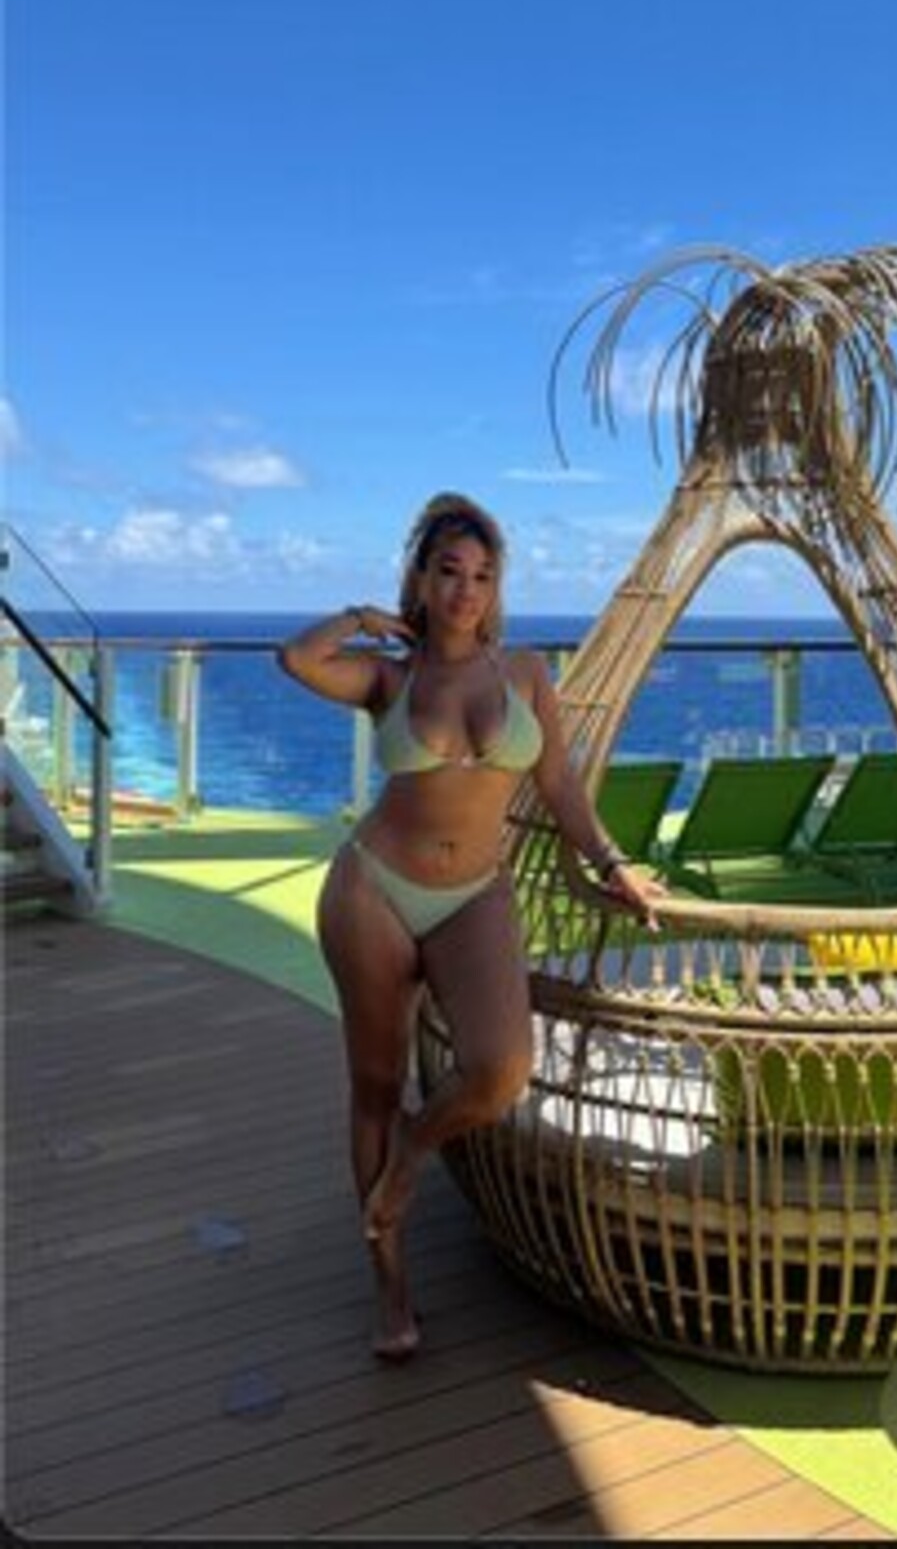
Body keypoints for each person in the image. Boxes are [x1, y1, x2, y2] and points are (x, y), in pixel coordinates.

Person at [277, 492, 661, 1361]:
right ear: (421, 579)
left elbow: (559, 785)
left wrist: (610, 862)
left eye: (482, 576)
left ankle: (410, 1159)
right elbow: (296, 659)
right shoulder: (391, 678)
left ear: (497, 589)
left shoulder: (524, 672)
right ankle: (389, 1284)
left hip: (474, 894)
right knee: (375, 1085)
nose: (465, 590)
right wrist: (361, 618)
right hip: (373, 891)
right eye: (448, 571)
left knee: (500, 1068)